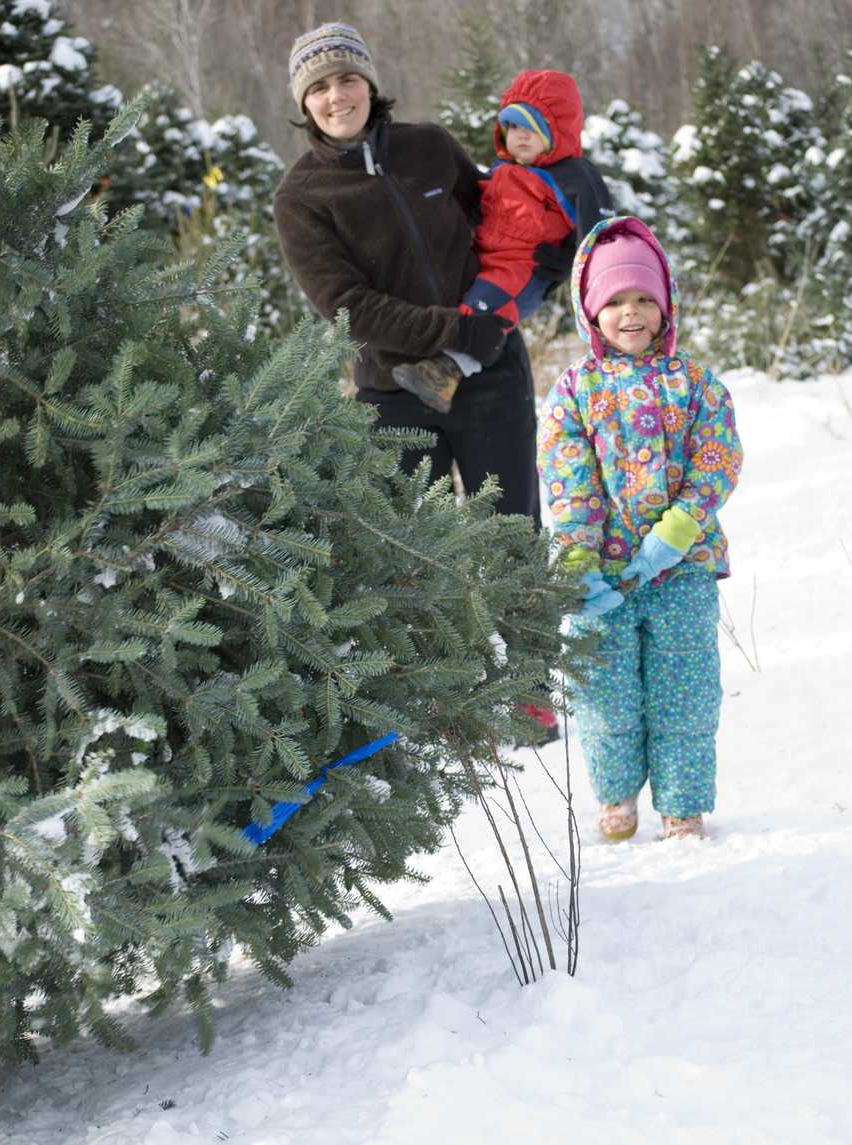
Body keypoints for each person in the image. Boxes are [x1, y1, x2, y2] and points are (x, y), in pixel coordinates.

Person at [274, 21, 557, 528]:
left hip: (490, 371)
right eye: (318, 87)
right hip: (393, 393)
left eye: (347, 79)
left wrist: (549, 254)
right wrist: (454, 330)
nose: (336, 96)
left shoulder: (428, 146)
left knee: (513, 539)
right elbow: (347, 307)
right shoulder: (301, 197)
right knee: (414, 562)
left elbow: (498, 223)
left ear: (369, 83)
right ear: (303, 103)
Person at [537, 215, 743, 840]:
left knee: (686, 691)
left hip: (683, 570)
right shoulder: (575, 389)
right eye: (615, 301)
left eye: (643, 299)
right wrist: (577, 559)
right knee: (605, 693)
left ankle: (683, 804)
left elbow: (717, 459)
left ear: (665, 305)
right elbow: (568, 478)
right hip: (603, 576)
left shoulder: (698, 384)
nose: (631, 313)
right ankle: (617, 795)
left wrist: (674, 533)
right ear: (590, 311)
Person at [393, 69, 613, 414]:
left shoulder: (573, 176)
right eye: (511, 127)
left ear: (556, 131)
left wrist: (577, 262)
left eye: (531, 128)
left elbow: (600, 230)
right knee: (458, 296)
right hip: (486, 256)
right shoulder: (502, 169)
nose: (519, 137)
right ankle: (433, 361)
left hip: (522, 267)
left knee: (483, 312)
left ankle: (445, 373)